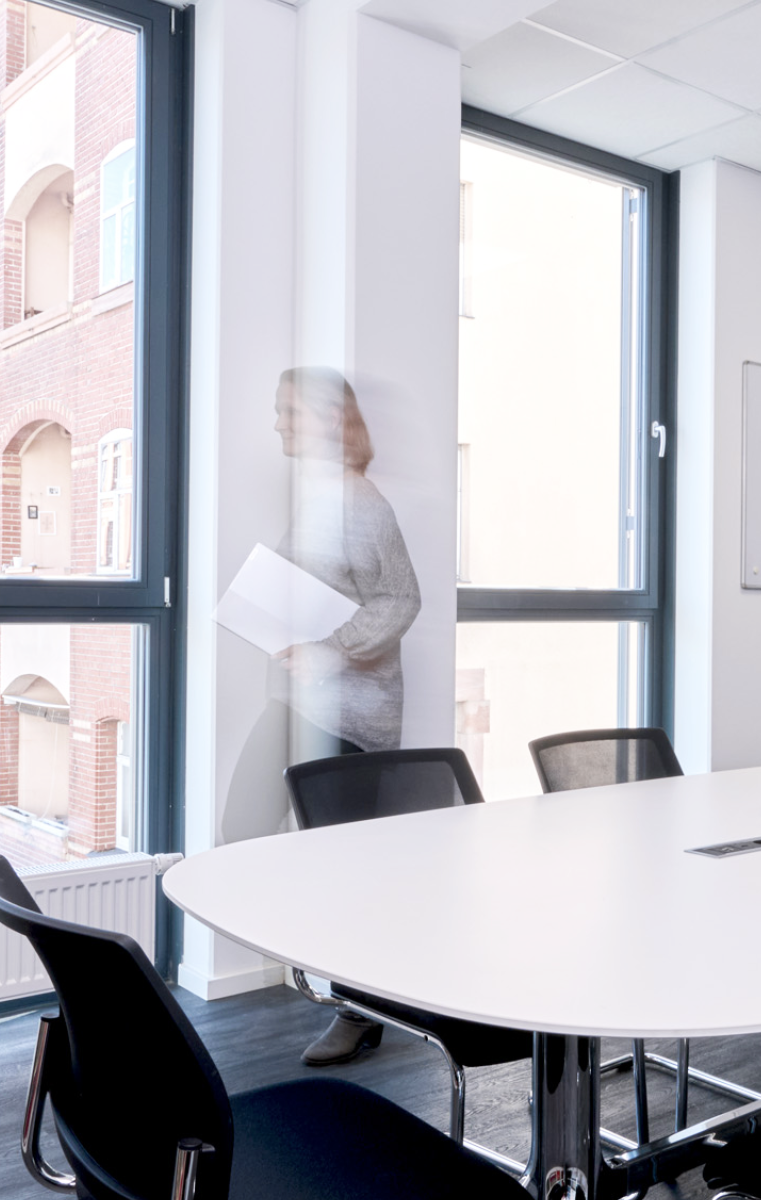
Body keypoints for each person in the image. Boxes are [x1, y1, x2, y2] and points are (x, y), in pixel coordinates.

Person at [268, 366, 422, 1066]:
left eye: (287, 412)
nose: (277, 424)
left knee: (349, 873)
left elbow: (399, 602)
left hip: (352, 717)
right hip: (311, 703)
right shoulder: (323, 499)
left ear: (329, 421)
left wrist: (328, 648)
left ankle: (363, 1013)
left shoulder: (360, 504)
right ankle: (350, 999)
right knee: (302, 858)